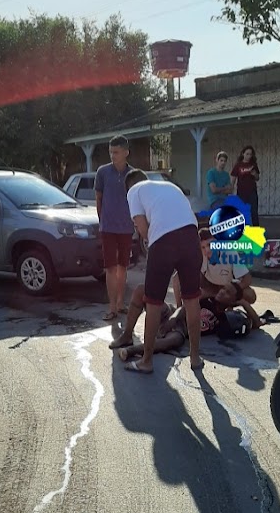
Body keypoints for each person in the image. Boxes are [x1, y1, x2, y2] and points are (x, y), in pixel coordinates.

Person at [117, 169, 203, 373]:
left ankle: (146, 361)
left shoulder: (133, 191)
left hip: (164, 242)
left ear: (129, 186)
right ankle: (195, 358)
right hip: (192, 238)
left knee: (153, 302)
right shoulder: (170, 187)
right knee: (192, 300)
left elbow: (142, 228)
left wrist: (148, 243)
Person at [113, 282, 262, 363]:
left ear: (233, 301)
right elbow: (184, 308)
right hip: (172, 313)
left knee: (176, 340)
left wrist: (244, 303)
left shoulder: (224, 319)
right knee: (142, 289)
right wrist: (172, 319)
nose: (222, 292)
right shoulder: (207, 298)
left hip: (180, 330)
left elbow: (256, 324)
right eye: (224, 288)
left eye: (228, 293)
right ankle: (127, 335)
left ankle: (132, 351)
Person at [95, 135, 134, 320]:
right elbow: (99, 199)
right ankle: (111, 307)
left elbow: (138, 202)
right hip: (108, 227)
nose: (113, 155)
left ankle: (120, 303)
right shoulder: (102, 172)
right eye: (111, 152)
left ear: (126, 152)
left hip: (126, 227)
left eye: (116, 152)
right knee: (110, 268)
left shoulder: (134, 174)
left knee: (123, 267)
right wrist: (102, 221)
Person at [171, 227, 256, 307]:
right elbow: (176, 278)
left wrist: (234, 289)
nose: (207, 250)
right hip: (211, 288)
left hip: (228, 288)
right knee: (186, 285)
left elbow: (247, 278)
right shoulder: (198, 255)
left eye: (210, 245)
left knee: (250, 295)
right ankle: (181, 310)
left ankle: (230, 306)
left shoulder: (229, 252)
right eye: (203, 247)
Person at [230, 145, 260, 226]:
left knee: (254, 212)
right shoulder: (238, 165)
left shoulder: (253, 165)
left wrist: (255, 174)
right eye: (247, 154)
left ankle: (256, 232)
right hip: (241, 192)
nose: (249, 156)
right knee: (242, 212)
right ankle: (243, 231)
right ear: (243, 154)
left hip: (252, 192)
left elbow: (257, 178)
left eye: (250, 154)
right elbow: (233, 178)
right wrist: (231, 190)